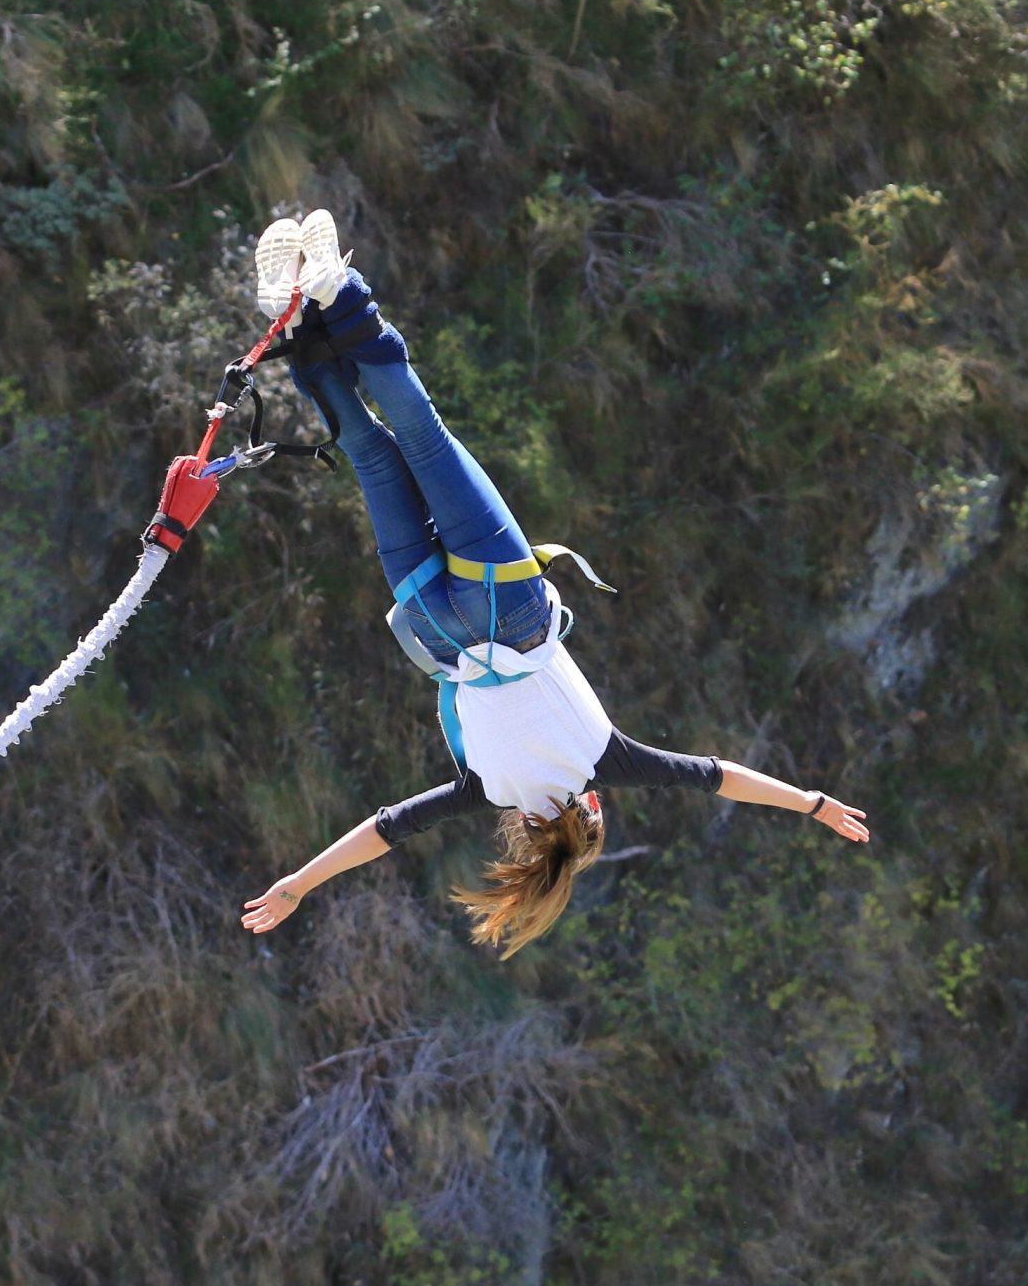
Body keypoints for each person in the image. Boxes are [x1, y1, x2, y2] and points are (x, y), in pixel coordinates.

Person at [237, 211, 871, 958]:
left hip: (512, 605)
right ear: (528, 834)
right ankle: (298, 319)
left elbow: (718, 776)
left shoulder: (604, 759)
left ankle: (339, 295)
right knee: (374, 458)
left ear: (591, 807)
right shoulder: (485, 789)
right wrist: (298, 883)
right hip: (437, 625)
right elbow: (383, 828)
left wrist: (815, 804)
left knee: (423, 435)